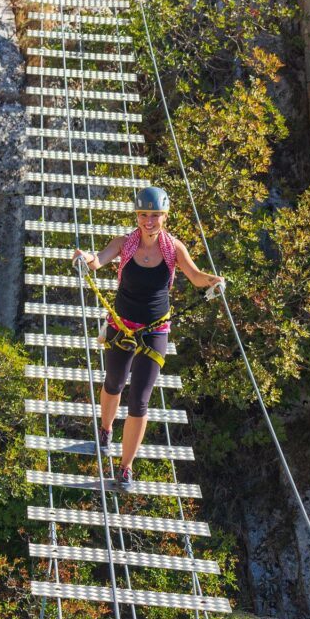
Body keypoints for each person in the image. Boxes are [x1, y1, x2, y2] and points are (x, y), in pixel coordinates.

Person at [72, 186, 223, 490]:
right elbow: (98, 261)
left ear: (165, 216)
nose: (149, 220)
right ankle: (105, 428)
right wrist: (84, 258)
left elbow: (195, 277)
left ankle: (125, 467)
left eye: (155, 215)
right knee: (113, 383)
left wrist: (215, 282)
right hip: (122, 326)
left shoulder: (173, 249)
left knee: (139, 401)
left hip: (155, 330)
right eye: (144, 214)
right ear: (137, 215)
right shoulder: (124, 244)